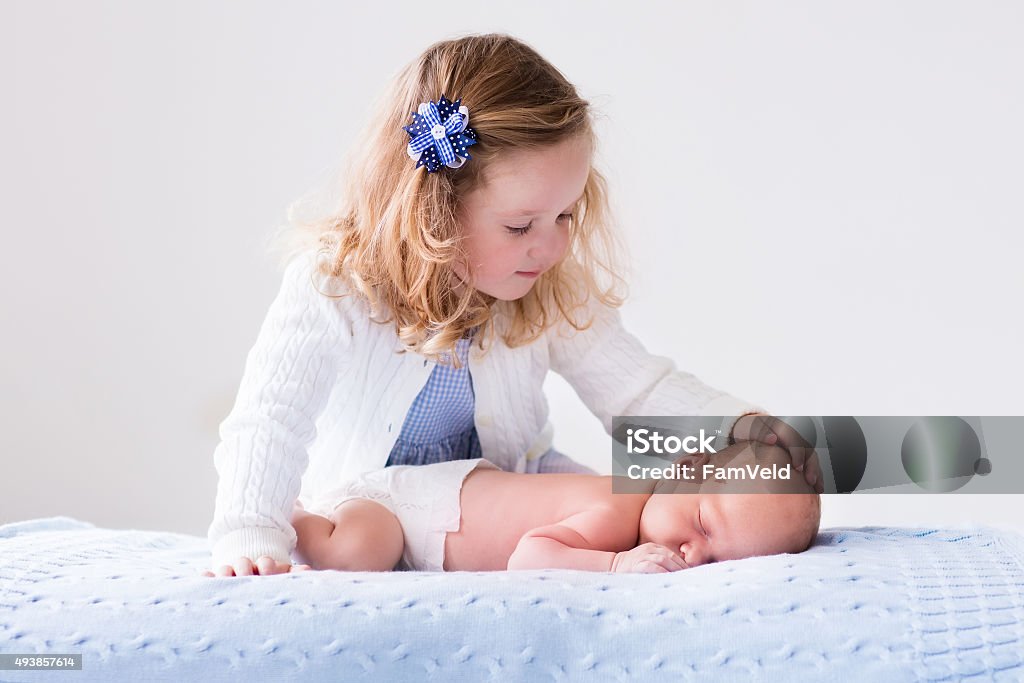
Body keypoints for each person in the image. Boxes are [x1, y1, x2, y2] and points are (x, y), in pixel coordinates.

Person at [204, 33, 823, 578]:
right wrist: (249, 530)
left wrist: (740, 430)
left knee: (624, 510)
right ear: (435, 212)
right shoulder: (337, 285)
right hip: (375, 505)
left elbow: (633, 392)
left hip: (505, 494)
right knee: (366, 544)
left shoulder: (550, 288)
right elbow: (271, 416)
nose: (551, 245)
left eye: (564, 215)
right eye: (522, 224)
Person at [263, 441, 819, 575]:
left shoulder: (635, 517)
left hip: (438, 514)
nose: (692, 553)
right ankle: (298, 516)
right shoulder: (614, 510)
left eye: (719, 559)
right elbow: (529, 557)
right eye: (701, 525)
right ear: (682, 471)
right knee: (361, 552)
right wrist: (615, 566)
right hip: (403, 511)